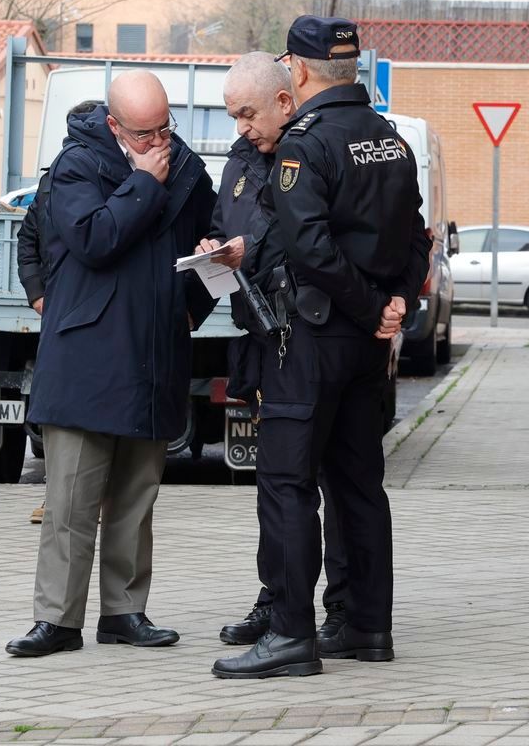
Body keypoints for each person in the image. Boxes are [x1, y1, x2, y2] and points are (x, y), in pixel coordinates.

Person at [213, 17, 429, 680]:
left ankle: (289, 635)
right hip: (369, 349)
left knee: (285, 486)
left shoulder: (304, 147)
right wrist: (396, 305)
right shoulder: (389, 139)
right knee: (360, 484)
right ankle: (366, 627)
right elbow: (415, 235)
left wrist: (370, 311)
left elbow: (309, 249)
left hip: (313, 339)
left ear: (298, 74)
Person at [6, 70, 218, 658]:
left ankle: (125, 611)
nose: (158, 142)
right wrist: (144, 185)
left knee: (135, 496)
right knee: (70, 499)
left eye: (164, 128)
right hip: (87, 357)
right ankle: (57, 619)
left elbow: (209, 245)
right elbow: (96, 239)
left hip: (154, 353)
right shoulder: (77, 167)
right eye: (144, 133)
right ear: (114, 125)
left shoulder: (191, 171)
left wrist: (189, 308)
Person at [193, 53, 350, 649]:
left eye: (248, 114)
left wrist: (243, 252)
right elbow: (224, 215)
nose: (242, 127)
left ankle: (331, 610)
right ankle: (276, 598)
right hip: (259, 333)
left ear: (284, 101)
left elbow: (303, 237)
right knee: (276, 483)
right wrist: (214, 244)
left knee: (320, 480)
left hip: (305, 332)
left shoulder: (308, 153)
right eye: (234, 116)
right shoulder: (240, 158)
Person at [19, 99, 103, 527]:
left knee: (93, 407)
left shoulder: (106, 177)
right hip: (59, 315)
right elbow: (28, 242)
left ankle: (95, 498)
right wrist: (38, 296)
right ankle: (57, 496)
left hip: (97, 315)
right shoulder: (54, 182)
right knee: (55, 410)